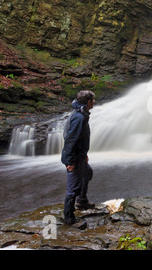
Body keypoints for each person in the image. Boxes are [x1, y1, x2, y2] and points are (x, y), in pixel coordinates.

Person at [61, 90, 96, 229]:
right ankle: (68, 217)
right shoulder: (79, 117)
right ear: (88, 102)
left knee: (87, 173)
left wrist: (84, 153)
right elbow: (71, 139)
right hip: (73, 157)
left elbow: (79, 138)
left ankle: (82, 201)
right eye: (93, 100)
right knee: (72, 188)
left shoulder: (81, 114)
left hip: (79, 155)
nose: (94, 103)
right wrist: (70, 161)